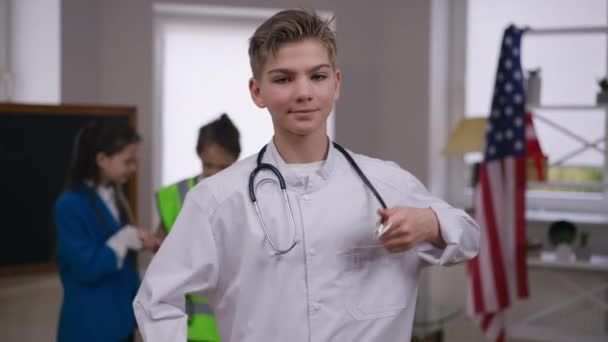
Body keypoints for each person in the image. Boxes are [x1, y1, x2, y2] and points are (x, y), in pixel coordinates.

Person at [134, 9, 480, 341]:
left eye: (317, 76)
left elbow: (469, 238)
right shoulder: (217, 200)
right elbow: (157, 298)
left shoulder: (387, 184)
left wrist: (430, 224)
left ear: (336, 83)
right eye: (283, 79)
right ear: (258, 92)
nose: (303, 92)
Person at [54, 119, 158, 342]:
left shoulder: (116, 198)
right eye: (128, 161)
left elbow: (125, 266)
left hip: (120, 321)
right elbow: (87, 268)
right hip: (90, 326)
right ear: (101, 159)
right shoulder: (69, 205)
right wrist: (122, 240)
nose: (134, 168)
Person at [155, 113, 241, 342]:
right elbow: (160, 253)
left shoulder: (248, 197)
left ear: (236, 160)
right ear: (199, 155)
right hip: (188, 327)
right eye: (207, 165)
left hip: (235, 325)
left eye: (222, 166)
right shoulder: (175, 196)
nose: (213, 173)